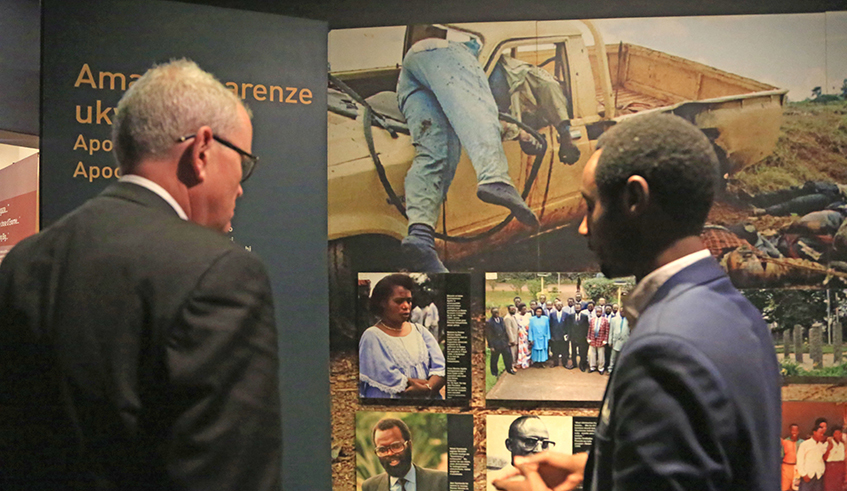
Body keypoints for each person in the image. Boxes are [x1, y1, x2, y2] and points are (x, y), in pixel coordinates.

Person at [0, 60, 281, 491]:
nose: (241, 186)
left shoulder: (24, 262)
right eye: (243, 162)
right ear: (202, 150)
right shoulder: (219, 272)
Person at [493, 113, 781, 491]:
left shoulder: (665, 349)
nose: (583, 226)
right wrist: (595, 468)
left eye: (590, 205)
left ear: (634, 199)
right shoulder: (734, 311)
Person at [397, 24, 539, 273]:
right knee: (480, 106)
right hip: (440, 52)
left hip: (411, 79)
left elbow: (462, 115)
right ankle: (495, 178)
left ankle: (420, 235)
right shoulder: (485, 61)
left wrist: (519, 132)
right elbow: (476, 108)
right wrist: (523, 131)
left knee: (436, 151)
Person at [359, 274, 446, 399]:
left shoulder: (420, 331)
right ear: (383, 303)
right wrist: (423, 385)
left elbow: (440, 368)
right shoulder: (372, 336)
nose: (406, 306)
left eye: (409, 301)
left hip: (427, 400)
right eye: (399, 301)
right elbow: (387, 376)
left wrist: (428, 388)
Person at [488, 53, 581, 165]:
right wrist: (566, 140)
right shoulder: (548, 88)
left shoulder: (530, 105)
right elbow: (555, 102)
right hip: (504, 74)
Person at [363, 418, 448, 491]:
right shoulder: (370, 487)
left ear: (409, 445)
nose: (390, 453)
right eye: (382, 450)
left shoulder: (442, 482)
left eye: (396, 446)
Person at [797, 419, 828, 491]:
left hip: (818, 476)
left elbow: (822, 459)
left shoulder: (822, 446)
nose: (821, 435)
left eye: (823, 434)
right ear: (814, 432)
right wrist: (804, 474)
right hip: (808, 475)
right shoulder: (805, 444)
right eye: (820, 433)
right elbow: (800, 460)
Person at [487, 307, 516, 376]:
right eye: (495, 313)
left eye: (497, 312)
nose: (496, 314)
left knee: (508, 357)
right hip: (495, 344)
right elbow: (489, 335)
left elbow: (505, 330)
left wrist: (508, 340)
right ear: (492, 313)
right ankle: (494, 373)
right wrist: (491, 346)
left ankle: (509, 369)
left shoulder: (501, 319)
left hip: (504, 342)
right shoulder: (489, 322)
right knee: (494, 359)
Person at [607, 305, 630, 375]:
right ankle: (610, 369)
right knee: (613, 357)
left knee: (623, 357)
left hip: (625, 341)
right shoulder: (614, 319)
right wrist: (610, 341)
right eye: (621, 311)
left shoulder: (629, 319)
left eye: (624, 311)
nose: (622, 312)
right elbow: (611, 331)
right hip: (615, 341)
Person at [586, 305, 609, 374]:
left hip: (601, 339)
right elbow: (589, 330)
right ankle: (592, 367)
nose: (598, 313)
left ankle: (601, 368)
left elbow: (607, 331)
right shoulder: (592, 320)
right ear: (595, 312)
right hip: (593, 339)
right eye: (597, 312)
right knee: (591, 354)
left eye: (600, 312)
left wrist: (605, 340)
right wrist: (588, 338)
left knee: (601, 355)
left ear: (602, 312)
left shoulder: (605, 320)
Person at [783, 423, 805, 491]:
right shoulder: (785, 442)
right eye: (793, 430)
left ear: (798, 431)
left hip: (797, 468)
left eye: (796, 430)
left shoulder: (802, 443)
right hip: (786, 467)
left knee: (796, 488)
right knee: (784, 487)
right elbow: (781, 456)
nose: (794, 432)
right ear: (790, 431)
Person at [824, 425, 845, 491]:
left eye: (840, 433)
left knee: (839, 487)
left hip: (840, 468)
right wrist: (829, 449)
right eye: (836, 434)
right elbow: (824, 458)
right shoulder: (828, 443)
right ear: (833, 434)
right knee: (830, 487)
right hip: (831, 468)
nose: (838, 435)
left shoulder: (842, 445)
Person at [548, 301, 568, 367]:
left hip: (563, 336)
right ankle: (555, 363)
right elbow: (550, 325)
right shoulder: (552, 314)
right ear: (555, 306)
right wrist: (551, 336)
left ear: (562, 306)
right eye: (557, 305)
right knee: (555, 350)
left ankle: (564, 363)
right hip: (555, 335)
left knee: (564, 350)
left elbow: (568, 325)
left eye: (560, 305)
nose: (559, 306)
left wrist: (567, 334)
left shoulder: (566, 314)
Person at [504, 305, 521, 370]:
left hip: (516, 337)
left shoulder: (513, 317)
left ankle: (514, 364)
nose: (513, 310)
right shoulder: (507, 318)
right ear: (508, 310)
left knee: (515, 353)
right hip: (512, 339)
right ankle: (511, 366)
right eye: (512, 309)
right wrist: (511, 340)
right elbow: (508, 329)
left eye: (514, 309)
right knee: (512, 354)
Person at [515, 304, 532, 370]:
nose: (525, 310)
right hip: (521, 335)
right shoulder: (516, 316)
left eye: (525, 308)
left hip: (528, 334)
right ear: (520, 310)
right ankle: (521, 362)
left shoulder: (529, 315)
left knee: (528, 349)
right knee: (521, 349)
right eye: (523, 309)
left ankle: (527, 362)